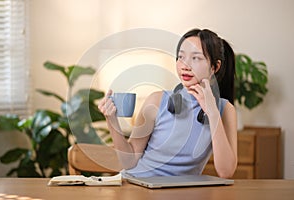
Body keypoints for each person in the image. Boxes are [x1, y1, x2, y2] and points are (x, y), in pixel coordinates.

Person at [98, 28, 237, 178]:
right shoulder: (157, 101)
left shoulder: (224, 110)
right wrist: (111, 120)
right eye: (181, 57)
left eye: (196, 58)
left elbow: (226, 171)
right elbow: (129, 161)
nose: (185, 65)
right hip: (136, 186)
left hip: (180, 193)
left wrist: (212, 112)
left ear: (215, 67)